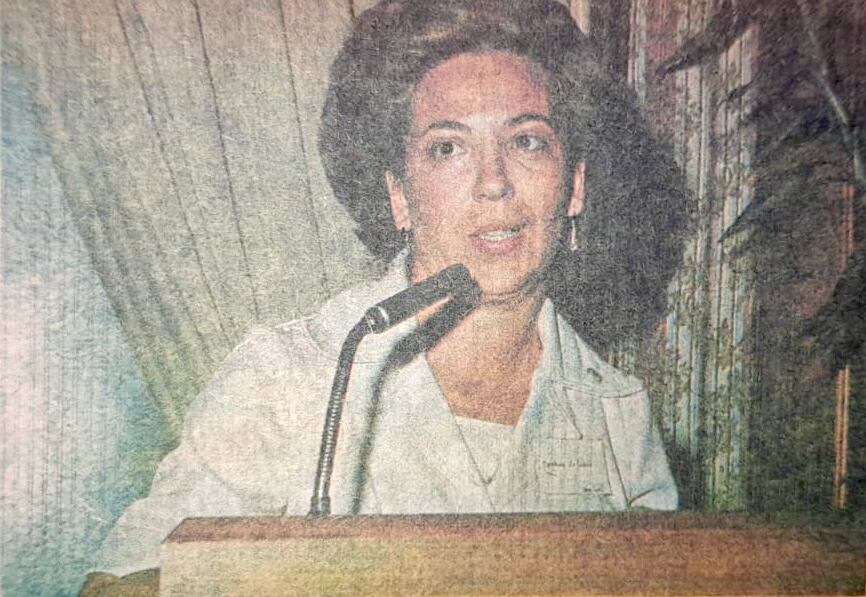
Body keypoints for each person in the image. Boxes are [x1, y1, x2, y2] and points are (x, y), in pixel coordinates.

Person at [88, 0, 688, 586]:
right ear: (400, 196)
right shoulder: (288, 376)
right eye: (447, 148)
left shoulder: (618, 412)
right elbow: (123, 583)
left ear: (575, 186)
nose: (494, 184)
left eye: (527, 141)